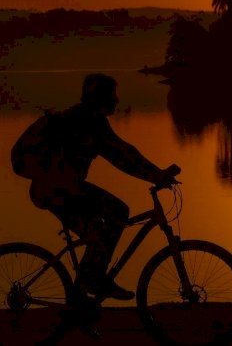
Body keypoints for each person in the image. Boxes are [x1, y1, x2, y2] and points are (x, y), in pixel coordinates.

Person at [28, 73, 177, 300]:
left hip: (63, 188)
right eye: (112, 95)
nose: (116, 101)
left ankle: (81, 295)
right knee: (109, 219)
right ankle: (93, 281)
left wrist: (155, 174)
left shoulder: (86, 117)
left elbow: (123, 152)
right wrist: (157, 176)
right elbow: (122, 156)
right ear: (100, 97)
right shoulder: (87, 121)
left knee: (106, 224)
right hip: (57, 191)